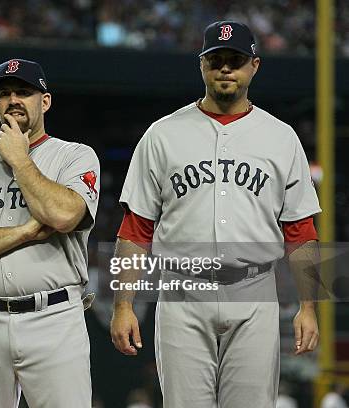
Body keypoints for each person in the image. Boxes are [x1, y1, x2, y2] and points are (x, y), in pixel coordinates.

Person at [110, 21, 321, 407]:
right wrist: (123, 304)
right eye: (217, 59)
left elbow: (301, 230)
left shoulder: (281, 136)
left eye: (235, 60)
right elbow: (135, 228)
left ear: (253, 66)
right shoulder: (162, 134)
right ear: (202, 66)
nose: (226, 68)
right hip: (182, 291)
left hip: (254, 291)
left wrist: (309, 307)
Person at [0, 58, 100, 408]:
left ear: (45, 101)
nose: (13, 100)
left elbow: (63, 215)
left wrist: (21, 160)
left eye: (24, 92)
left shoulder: (75, 156)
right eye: (5, 93)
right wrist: (25, 232)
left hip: (54, 318)